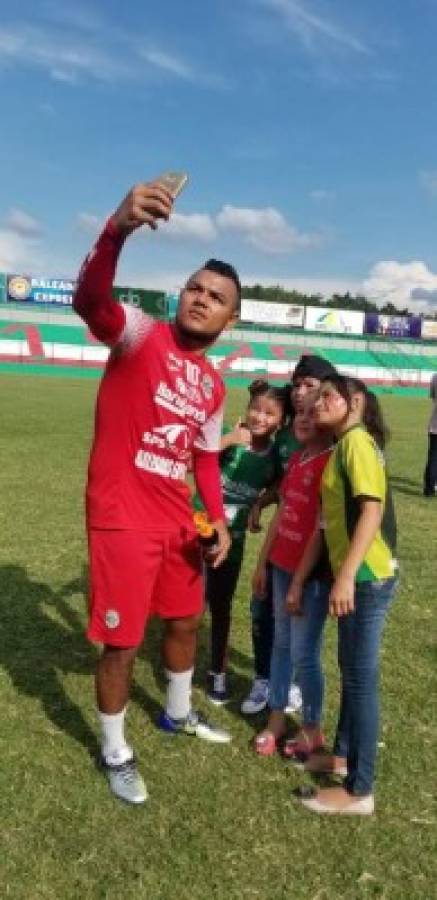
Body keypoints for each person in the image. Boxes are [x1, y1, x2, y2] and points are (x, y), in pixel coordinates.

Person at [73, 179, 241, 804]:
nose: (201, 299)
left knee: (185, 621)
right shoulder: (141, 334)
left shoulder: (214, 387)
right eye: (195, 289)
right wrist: (116, 227)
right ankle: (116, 749)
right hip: (121, 516)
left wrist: (217, 518)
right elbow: (90, 302)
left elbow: (202, 459)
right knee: (121, 642)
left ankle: (176, 712)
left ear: (232, 316)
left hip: (178, 522)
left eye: (215, 296)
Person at [288, 375, 398, 815]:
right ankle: (342, 757)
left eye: (327, 396)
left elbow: (372, 509)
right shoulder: (344, 445)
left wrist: (347, 575)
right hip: (362, 575)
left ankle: (359, 790)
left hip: (368, 576)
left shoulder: (356, 443)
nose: (316, 404)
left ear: (355, 402)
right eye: (314, 399)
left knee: (359, 679)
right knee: (352, 671)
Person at [241, 354, 337, 716]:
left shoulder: (334, 441)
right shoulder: (287, 434)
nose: (301, 394)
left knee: (301, 623)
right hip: (281, 544)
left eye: (310, 387)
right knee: (263, 609)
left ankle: (294, 683)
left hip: (312, 550)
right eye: (296, 386)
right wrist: (259, 502)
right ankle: (264, 679)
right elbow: (281, 486)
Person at [196, 380, 286, 705]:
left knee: (221, 608)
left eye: (269, 413)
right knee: (191, 606)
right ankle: (177, 662)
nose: (260, 417)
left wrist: (261, 502)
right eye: (256, 409)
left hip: (231, 544)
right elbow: (200, 456)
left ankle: (216, 673)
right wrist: (230, 439)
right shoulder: (233, 440)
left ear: (281, 420)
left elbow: (282, 485)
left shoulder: (275, 457)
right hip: (198, 532)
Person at [251, 406, 333, 755]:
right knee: (281, 644)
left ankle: (312, 728)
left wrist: (299, 581)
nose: (302, 418)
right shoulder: (298, 458)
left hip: (310, 576)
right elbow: (283, 512)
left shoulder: (331, 463)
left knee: (305, 653)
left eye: (313, 414)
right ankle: (276, 718)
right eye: (300, 413)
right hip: (281, 566)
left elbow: (320, 527)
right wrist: (262, 563)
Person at [423, 371, 437, 497]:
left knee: (433, 456)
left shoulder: (435, 376)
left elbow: (433, 397)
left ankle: (429, 488)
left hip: (435, 425)